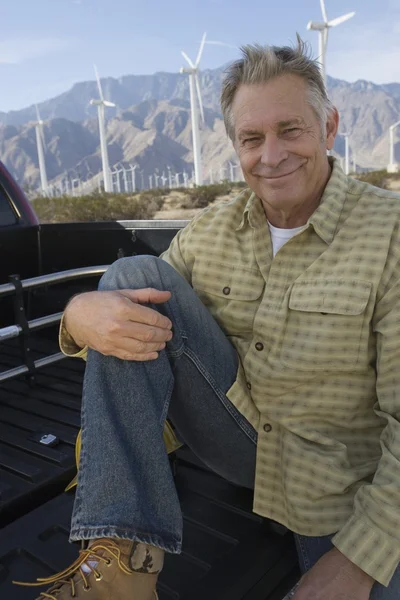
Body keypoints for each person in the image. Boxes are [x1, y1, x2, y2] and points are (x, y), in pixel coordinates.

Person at [22, 36, 400, 600]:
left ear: (329, 128)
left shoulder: (389, 233)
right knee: (129, 281)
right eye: (252, 138)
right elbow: (128, 312)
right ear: (234, 145)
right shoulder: (213, 228)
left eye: (290, 130)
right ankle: (122, 567)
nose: (270, 156)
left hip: (338, 484)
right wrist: (78, 315)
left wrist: (356, 562)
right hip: (238, 444)